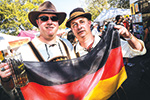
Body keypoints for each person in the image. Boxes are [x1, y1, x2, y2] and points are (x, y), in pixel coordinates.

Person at [0, 1, 76, 98]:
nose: (49, 22)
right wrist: (5, 78)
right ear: (38, 22)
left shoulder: (67, 44)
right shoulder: (24, 50)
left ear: (57, 22)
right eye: (44, 18)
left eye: (54, 18)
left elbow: (76, 73)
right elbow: (12, 88)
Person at [65, 7, 146, 58]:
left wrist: (128, 36)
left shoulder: (108, 42)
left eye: (82, 21)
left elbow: (139, 50)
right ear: (72, 29)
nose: (79, 27)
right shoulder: (72, 54)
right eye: (74, 24)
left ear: (89, 23)